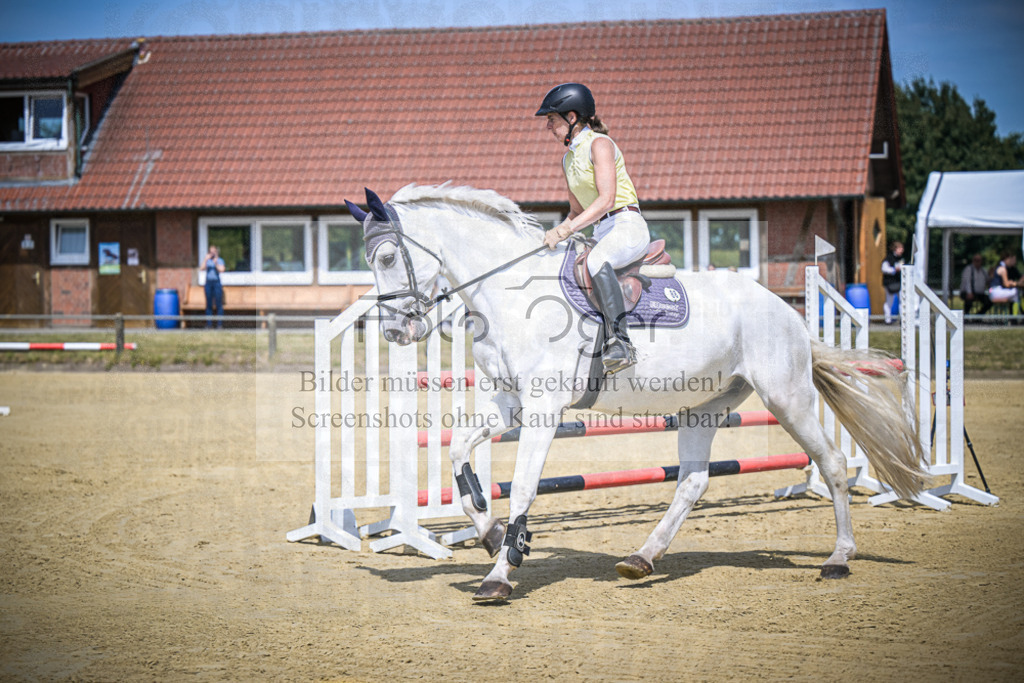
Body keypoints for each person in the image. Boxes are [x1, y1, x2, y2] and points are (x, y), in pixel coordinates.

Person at [536, 83, 650, 373]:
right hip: (600, 231)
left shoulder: (600, 144)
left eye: (552, 119)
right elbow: (575, 211)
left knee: (598, 260)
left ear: (572, 117)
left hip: (626, 224)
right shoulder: (568, 158)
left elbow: (606, 198)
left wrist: (568, 228)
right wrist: (553, 234)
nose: (549, 126)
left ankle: (620, 343)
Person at [202, 245, 226, 328]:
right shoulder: (207, 261)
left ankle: (219, 324)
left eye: (213, 252)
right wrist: (205, 259)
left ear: (216, 252)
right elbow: (201, 268)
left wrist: (215, 263)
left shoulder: (220, 260)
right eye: (210, 252)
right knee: (208, 304)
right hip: (208, 283)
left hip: (216, 283)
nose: (212, 253)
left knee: (219, 304)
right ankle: (209, 324)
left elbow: (222, 270)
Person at [881, 241, 904, 324]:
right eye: (900, 248)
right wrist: (894, 270)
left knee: (903, 300)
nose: (902, 250)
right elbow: (884, 269)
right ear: (895, 249)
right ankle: (887, 319)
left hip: (899, 283)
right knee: (889, 301)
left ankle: (902, 318)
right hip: (890, 283)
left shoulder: (901, 259)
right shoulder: (888, 258)